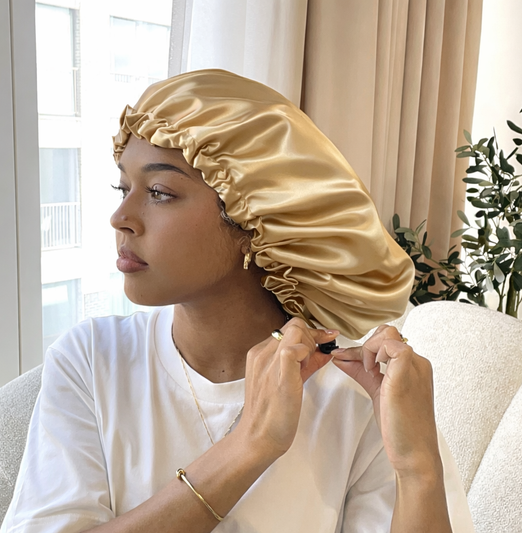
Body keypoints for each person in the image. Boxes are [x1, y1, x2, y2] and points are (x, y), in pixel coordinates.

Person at [1, 69, 474, 533]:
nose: (120, 217)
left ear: (254, 220)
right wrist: (250, 445)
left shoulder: (357, 395)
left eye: (159, 193)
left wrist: (419, 468)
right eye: (123, 188)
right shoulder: (91, 360)